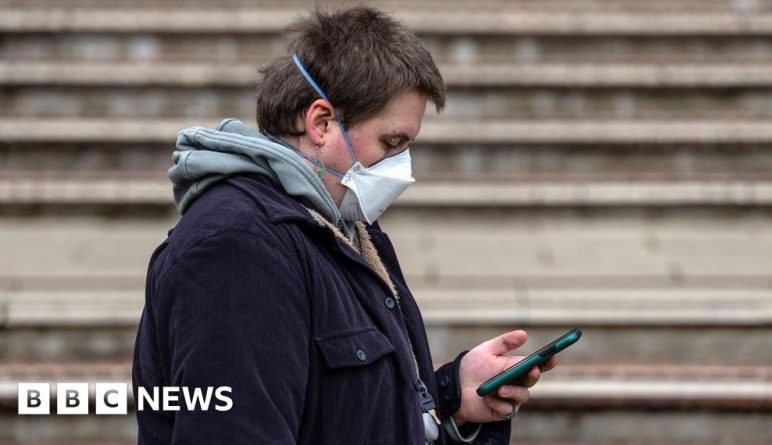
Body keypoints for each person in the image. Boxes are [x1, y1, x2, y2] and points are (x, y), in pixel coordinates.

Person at [132, 6, 555, 444]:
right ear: (320, 122)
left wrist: (449, 398)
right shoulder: (238, 250)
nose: (400, 167)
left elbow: (343, 413)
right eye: (391, 143)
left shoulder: (343, 230)